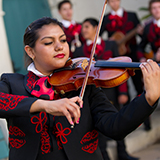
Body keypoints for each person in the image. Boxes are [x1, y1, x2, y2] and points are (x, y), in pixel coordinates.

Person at [0, 17, 160, 160]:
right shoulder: (12, 83)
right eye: (49, 42)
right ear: (30, 51)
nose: (59, 47)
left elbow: (115, 127)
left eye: (63, 40)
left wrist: (148, 99)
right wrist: (45, 105)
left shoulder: (84, 85)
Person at [73, 18, 137, 160]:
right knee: (97, 127)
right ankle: (104, 156)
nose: (83, 30)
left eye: (87, 27)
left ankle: (123, 153)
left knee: (119, 121)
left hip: (112, 90)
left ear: (96, 28)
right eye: (83, 27)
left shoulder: (111, 44)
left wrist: (123, 92)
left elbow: (120, 69)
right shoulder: (79, 50)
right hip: (92, 92)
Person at [100, 0, 144, 96]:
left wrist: (141, 32)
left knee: (138, 81)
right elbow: (99, 37)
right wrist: (109, 41)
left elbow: (142, 36)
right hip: (117, 56)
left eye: (116, 0)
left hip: (132, 53)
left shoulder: (132, 15)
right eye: (111, 1)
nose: (114, 3)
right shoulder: (106, 18)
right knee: (120, 82)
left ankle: (141, 102)